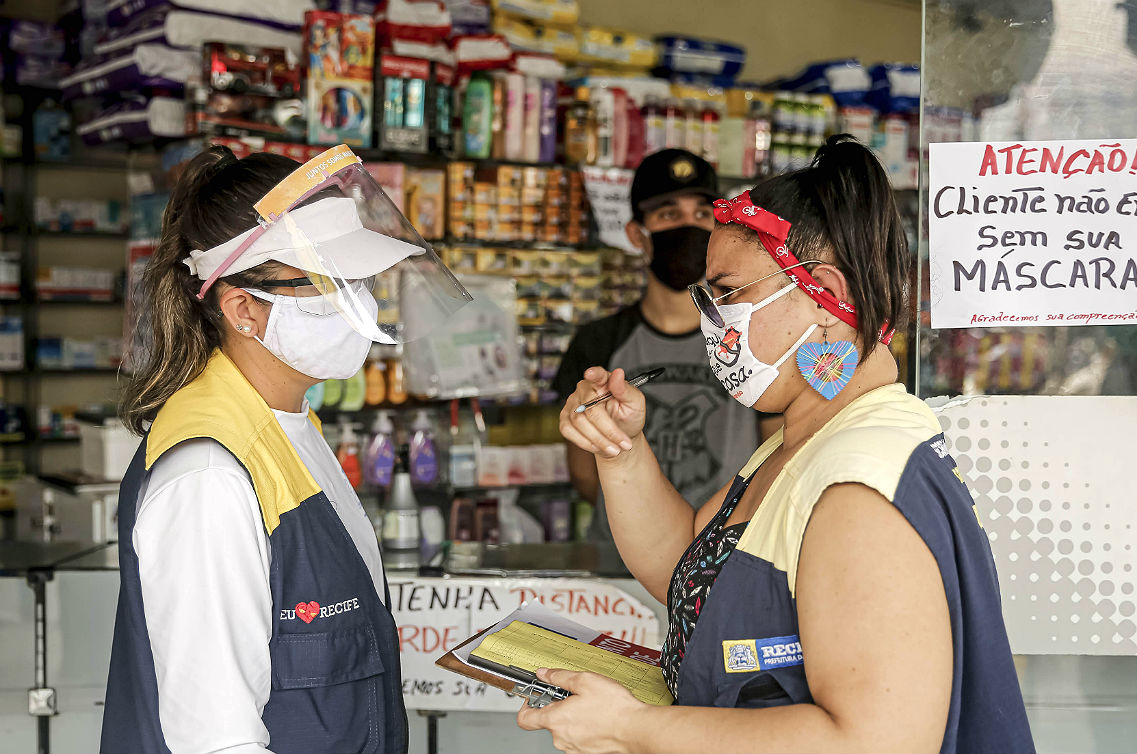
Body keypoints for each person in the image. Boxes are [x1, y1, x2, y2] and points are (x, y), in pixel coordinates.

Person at [525, 136, 1034, 753]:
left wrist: (631, 728)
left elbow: (876, 741)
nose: (715, 322)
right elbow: (693, 574)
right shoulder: (808, 442)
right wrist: (621, 450)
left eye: (730, 292)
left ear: (825, 294)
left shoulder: (858, 487)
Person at [101, 145, 470, 753]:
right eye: (331, 283)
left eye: (361, 280)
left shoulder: (290, 426)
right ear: (242, 308)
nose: (360, 303)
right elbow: (216, 742)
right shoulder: (210, 474)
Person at [552, 149, 780, 544]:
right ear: (637, 234)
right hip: (619, 557)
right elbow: (585, 473)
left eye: (701, 214)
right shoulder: (598, 342)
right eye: (669, 214)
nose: (688, 226)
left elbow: (775, 452)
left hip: (720, 555)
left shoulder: (751, 336)